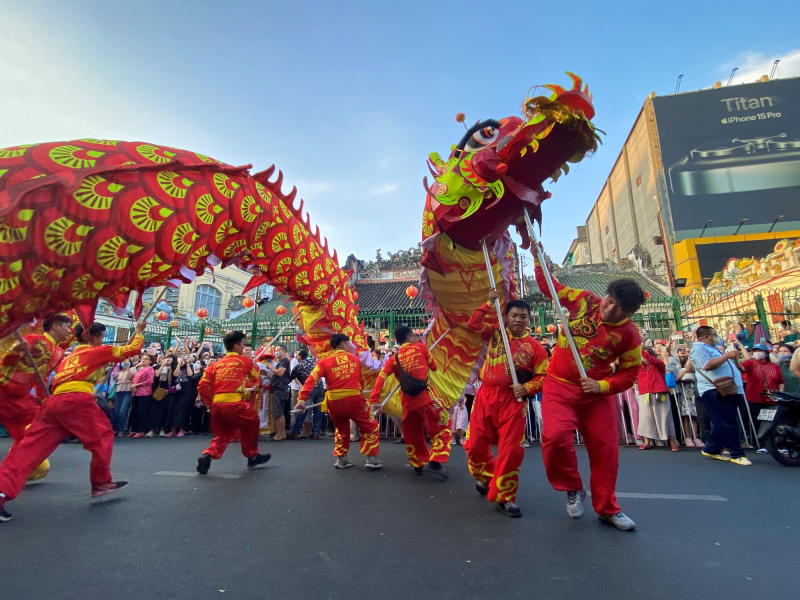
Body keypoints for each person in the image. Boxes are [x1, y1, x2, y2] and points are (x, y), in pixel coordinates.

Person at [536, 261, 646, 532]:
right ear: (604, 295)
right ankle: (573, 487)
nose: (609, 309)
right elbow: (549, 287)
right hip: (558, 386)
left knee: (606, 451)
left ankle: (608, 509)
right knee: (555, 438)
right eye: (609, 301)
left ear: (631, 312)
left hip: (596, 395)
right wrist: (538, 258)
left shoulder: (629, 336)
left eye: (619, 308)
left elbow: (630, 374)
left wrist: (603, 386)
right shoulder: (583, 301)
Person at [0, 321, 146, 522]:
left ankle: (2, 492)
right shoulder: (91, 351)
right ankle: (101, 482)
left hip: (54, 403)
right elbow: (132, 349)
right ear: (93, 337)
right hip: (72, 401)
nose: (102, 341)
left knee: (27, 449)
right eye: (101, 337)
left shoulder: (66, 356)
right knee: (103, 437)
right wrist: (138, 332)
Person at [463, 291, 548, 518]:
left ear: (529, 320)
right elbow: (473, 324)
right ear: (506, 317)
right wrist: (488, 302)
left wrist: (528, 388)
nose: (518, 320)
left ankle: (506, 497)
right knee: (474, 445)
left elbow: (543, 376)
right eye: (514, 315)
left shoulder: (535, 348)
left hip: (514, 402)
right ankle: (489, 477)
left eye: (523, 316)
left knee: (511, 451)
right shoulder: (495, 334)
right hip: (486, 397)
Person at [370, 325, 452, 478]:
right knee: (443, 423)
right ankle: (436, 459)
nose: (417, 338)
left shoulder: (394, 358)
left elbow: (381, 377)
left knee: (413, 433)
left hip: (407, 401)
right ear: (409, 338)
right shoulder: (420, 348)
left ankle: (418, 463)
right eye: (415, 336)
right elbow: (433, 367)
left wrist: (374, 399)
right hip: (424, 398)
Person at [295, 334, 381, 470]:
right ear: (342, 344)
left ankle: (342, 459)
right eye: (348, 343)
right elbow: (360, 382)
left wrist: (301, 400)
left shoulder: (324, 362)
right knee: (370, 426)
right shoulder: (354, 360)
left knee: (341, 430)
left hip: (334, 402)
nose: (351, 345)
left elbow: (311, 380)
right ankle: (370, 459)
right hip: (354, 400)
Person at [195, 331, 271, 475]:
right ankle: (252, 454)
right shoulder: (245, 361)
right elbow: (255, 377)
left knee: (223, 434)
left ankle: (208, 455)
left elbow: (202, 386)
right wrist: (253, 371)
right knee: (252, 423)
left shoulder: (215, 365)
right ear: (236, 346)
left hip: (217, 406)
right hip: (236, 404)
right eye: (243, 344)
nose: (244, 347)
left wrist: (209, 403)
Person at [0, 315, 73, 450]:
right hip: (2, 389)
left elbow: (41, 379)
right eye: (67, 327)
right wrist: (15, 351)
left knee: (35, 429)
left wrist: (46, 401)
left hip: (20, 400)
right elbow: (6, 362)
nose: (70, 332)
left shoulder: (58, 353)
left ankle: (17, 462)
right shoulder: (33, 339)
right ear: (55, 326)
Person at [689, 326, 751, 466]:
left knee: (722, 421)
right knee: (728, 422)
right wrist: (727, 356)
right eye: (714, 335)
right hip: (714, 390)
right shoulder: (699, 348)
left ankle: (712, 449)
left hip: (729, 389)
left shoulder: (712, 348)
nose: (716, 337)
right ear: (706, 336)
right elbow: (707, 365)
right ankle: (736, 454)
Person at [636, 348, 680, 451]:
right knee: (645, 418)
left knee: (665, 417)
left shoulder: (658, 364)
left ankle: (672, 442)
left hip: (659, 393)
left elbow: (653, 360)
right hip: (644, 394)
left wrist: (639, 348)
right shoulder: (639, 367)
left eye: (647, 354)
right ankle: (647, 442)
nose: (644, 357)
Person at [739, 343, 783, 431]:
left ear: (766, 353)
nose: (757, 353)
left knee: (770, 423)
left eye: (760, 351)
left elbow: (781, 381)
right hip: (754, 399)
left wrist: (780, 394)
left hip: (772, 399)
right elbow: (742, 369)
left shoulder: (775, 366)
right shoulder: (750, 363)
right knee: (755, 422)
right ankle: (756, 442)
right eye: (755, 351)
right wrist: (736, 361)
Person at [669, 342, 704, 447]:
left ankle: (696, 437)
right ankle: (688, 437)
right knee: (685, 416)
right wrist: (684, 372)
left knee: (694, 417)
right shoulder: (679, 369)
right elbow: (676, 379)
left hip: (693, 394)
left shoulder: (695, 370)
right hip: (684, 394)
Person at [287, 349, 324, 440]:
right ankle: (315, 432)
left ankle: (295, 432)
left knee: (302, 410)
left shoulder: (298, 366)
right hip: (320, 387)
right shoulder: (314, 362)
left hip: (308, 389)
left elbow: (290, 378)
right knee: (318, 411)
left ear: (300, 356)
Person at [265, 345, 291, 441]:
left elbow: (280, 373)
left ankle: (279, 434)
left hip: (280, 389)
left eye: (278, 350)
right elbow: (277, 377)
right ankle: (282, 433)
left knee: (277, 412)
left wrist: (270, 367)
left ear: (283, 351)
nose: (276, 353)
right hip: (279, 387)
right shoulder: (280, 361)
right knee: (280, 412)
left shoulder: (284, 361)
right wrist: (267, 374)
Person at [130, 354, 154, 438]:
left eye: (146, 359)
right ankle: (135, 429)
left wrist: (137, 385)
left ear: (150, 361)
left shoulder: (150, 369)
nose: (143, 360)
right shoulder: (140, 369)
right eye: (142, 359)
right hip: (136, 393)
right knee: (135, 411)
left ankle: (142, 430)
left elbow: (150, 381)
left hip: (144, 393)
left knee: (142, 412)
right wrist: (134, 386)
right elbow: (134, 379)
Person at [112, 360, 136, 437]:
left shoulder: (132, 369)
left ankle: (121, 430)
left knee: (122, 411)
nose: (124, 362)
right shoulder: (119, 372)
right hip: (118, 392)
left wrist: (127, 367)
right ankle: (116, 428)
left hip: (127, 392)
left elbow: (129, 377)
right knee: (116, 412)